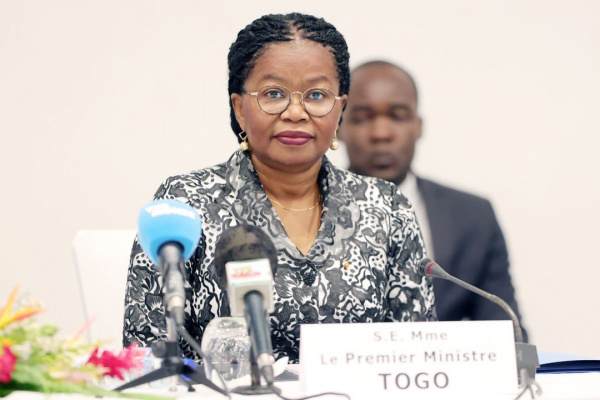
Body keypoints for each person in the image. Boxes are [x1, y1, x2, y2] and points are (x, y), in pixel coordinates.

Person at [123, 15, 436, 362]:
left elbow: (416, 353)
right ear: (240, 109)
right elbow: (148, 354)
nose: (296, 112)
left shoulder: (386, 207)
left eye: (316, 95)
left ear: (340, 109)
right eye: (274, 94)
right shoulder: (186, 203)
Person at [338, 61, 527, 339]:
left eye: (397, 116)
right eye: (363, 118)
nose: (381, 133)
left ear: (418, 126)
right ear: (338, 127)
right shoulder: (305, 209)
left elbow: (506, 332)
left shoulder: (473, 215)